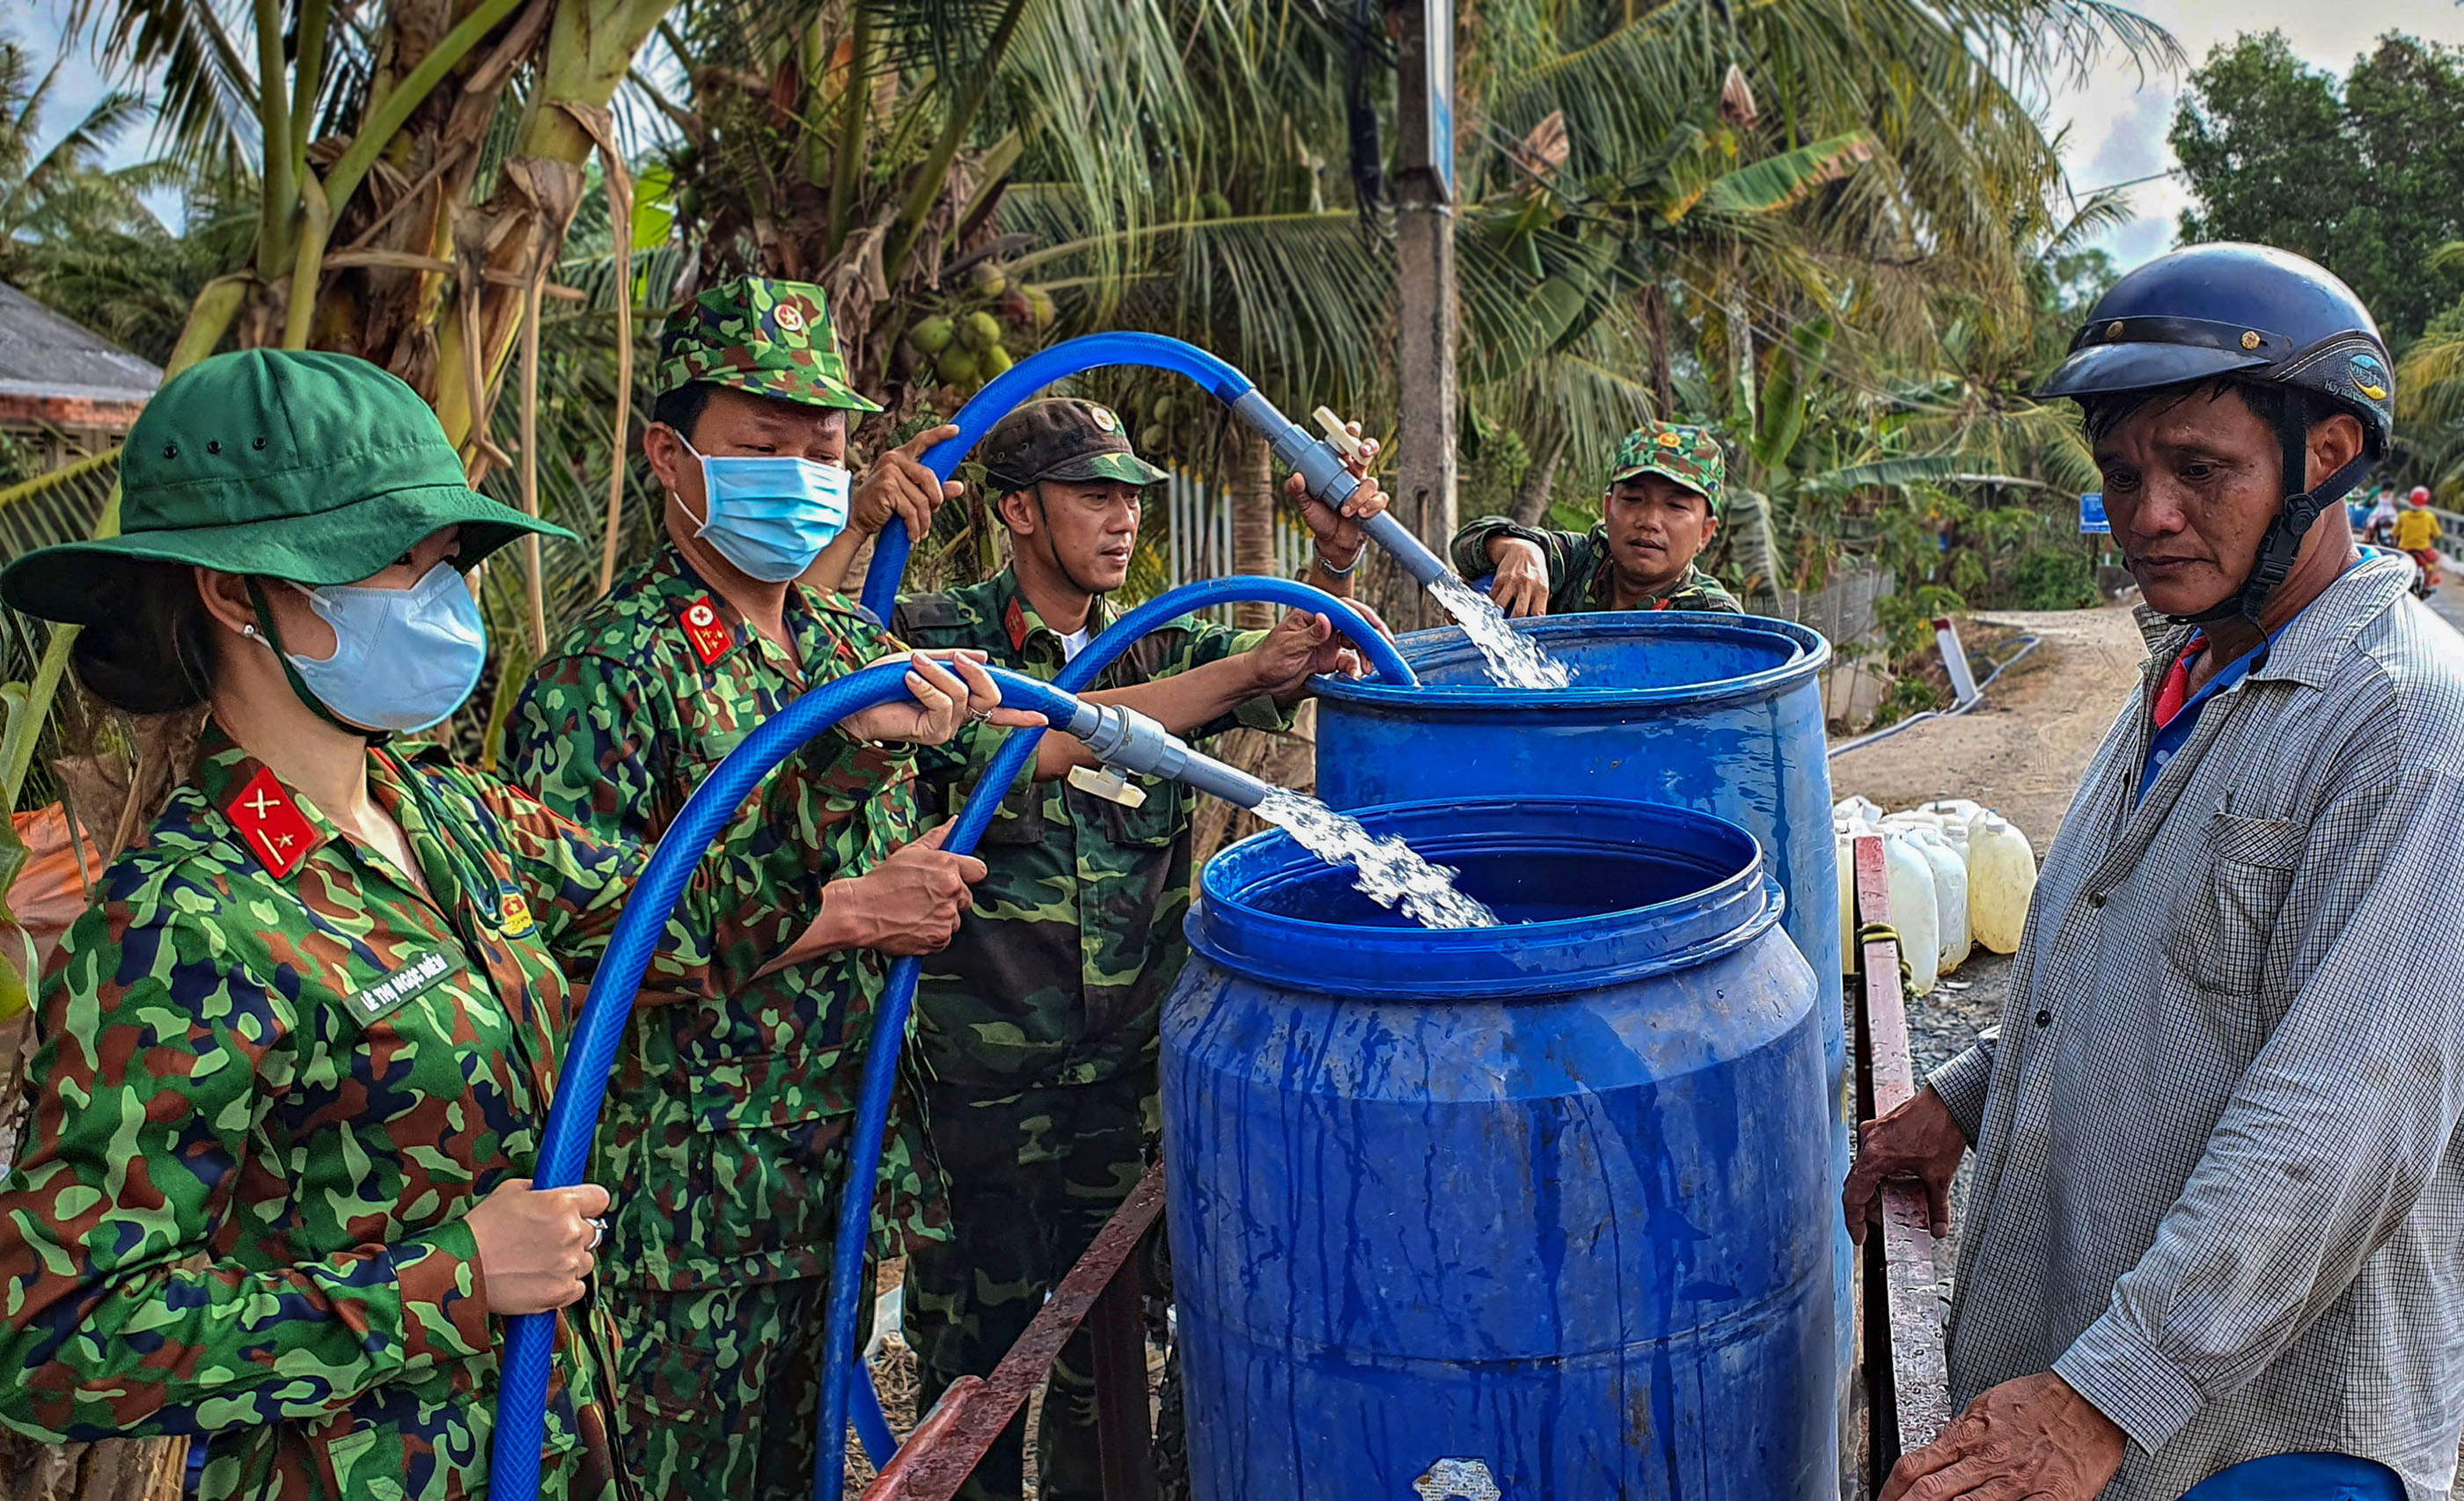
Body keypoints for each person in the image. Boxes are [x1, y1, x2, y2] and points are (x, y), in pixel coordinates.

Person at [0, 349, 1014, 1501]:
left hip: (549, 1433)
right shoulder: (185, 921)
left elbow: (694, 916)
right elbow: (57, 1338)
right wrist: (452, 1274)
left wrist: (847, 741)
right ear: (235, 593)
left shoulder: (455, 816)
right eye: (400, 563)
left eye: (449, 564)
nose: (444, 600)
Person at [1844, 242, 2464, 1501]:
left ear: (2327, 456)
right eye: (2125, 475)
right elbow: (2123, 949)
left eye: (2200, 469)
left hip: (2272, 1434)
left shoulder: (2406, 724)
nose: (2148, 516)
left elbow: (2340, 1120)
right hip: (2126, 1395)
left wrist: (2096, 1398)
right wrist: (1966, 1092)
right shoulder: (2194, 668)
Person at [502, 276, 1025, 1501]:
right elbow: (577, 949)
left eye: (823, 445)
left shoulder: (849, 649)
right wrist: (851, 910)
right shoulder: (610, 675)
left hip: (833, 1179)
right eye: (762, 446)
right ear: (671, 457)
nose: (800, 469)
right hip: (682, 1220)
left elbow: (996, 765)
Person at [859, 397, 1385, 1501]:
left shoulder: (1163, 639)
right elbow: (1035, 733)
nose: (1121, 520)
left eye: (1131, 497)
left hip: (1125, 1088)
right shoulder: (928, 645)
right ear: (1015, 510)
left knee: (1109, 1371)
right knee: (975, 1371)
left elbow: (1288, 657)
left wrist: (1329, 572)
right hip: (978, 1097)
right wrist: (857, 528)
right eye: (1091, 494)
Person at [1447, 420, 1742, 616]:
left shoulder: (1711, 615)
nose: (1649, 521)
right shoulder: (1578, 561)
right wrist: (1518, 549)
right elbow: (1467, 544)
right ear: (1608, 507)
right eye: (1633, 500)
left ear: (1705, 532)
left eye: (1676, 506)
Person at [2394, 484, 2442, 586]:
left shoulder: (2403, 516)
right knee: (2438, 559)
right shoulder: (2430, 517)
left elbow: (2394, 533)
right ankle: (2429, 583)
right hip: (2423, 551)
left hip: (2404, 549)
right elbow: (2437, 534)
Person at [2363, 481, 2402, 545]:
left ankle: (2368, 538)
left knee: (2370, 523)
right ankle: (2397, 540)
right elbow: (2395, 503)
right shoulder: (2392, 494)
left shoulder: (2380, 494)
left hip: (2379, 512)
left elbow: (2372, 502)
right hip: (2390, 513)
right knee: (2398, 524)